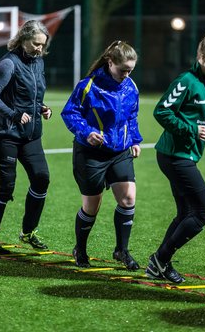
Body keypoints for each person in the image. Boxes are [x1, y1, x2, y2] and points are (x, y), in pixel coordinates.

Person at [145, 30, 205, 283]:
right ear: (203, 57)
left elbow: (194, 116)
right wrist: (192, 129)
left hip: (185, 155)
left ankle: (159, 263)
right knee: (204, 210)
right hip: (174, 155)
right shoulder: (187, 80)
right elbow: (162, 111)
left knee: (186, 213)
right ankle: (160, 259)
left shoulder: (204, 83)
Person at [61, 40, 143, 270]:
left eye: (130, 70)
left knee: (128, 199)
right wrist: (87, 132)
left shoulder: (130, 87)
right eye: (123, 70)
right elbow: (69, 113)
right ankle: (81, 248)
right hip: (91, 153)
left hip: (119, 151)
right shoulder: (88, 86)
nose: (127, 75)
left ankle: (121, 250)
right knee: (91, 207)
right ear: (110, 62)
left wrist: (135, 140)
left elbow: (132, 116)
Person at [0, 20, 52, 254]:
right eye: (36, 44)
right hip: (5, 134)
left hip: (31, 134)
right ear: (23, 39)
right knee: (5, 188)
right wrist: (13, 114)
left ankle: (28, 232)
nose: (39, 49)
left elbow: (32, 95)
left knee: (41, 178)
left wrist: (43, 107)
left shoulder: (38, 62)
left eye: (43, 45)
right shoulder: (8, 63)